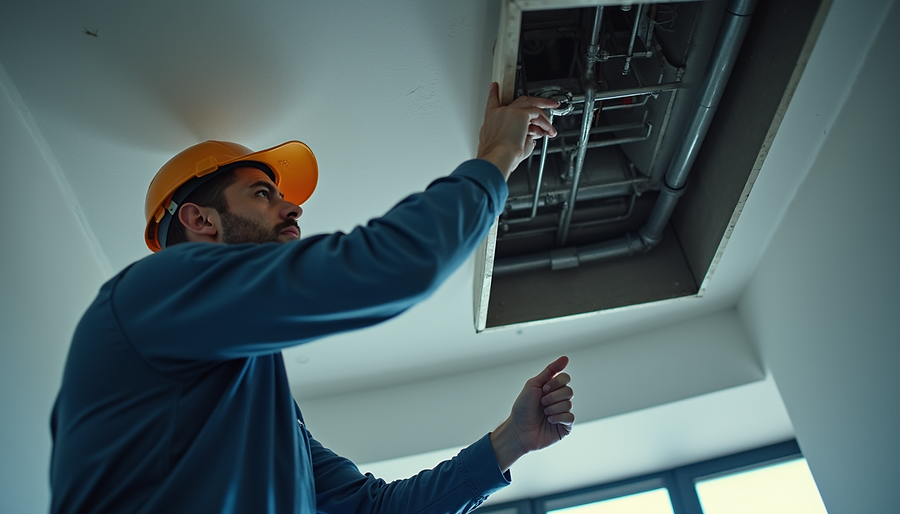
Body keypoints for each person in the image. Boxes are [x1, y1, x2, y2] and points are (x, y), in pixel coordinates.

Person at [49, 83, 574, 514]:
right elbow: (386, 268)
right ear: (199, 219)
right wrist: (496, 158)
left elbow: (372, 510)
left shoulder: (259, 404)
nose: (293, 207)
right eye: (263, 193)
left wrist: (513, 441)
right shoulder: (155, 290)